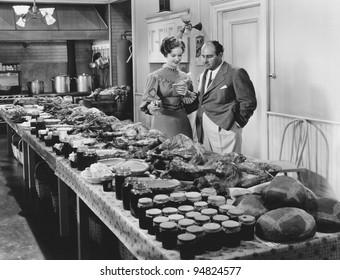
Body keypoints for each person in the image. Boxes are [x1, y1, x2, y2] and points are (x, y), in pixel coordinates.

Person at [195, 40, 257, 154]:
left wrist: (238, 123)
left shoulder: (235, 72)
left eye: (209, 56)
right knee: (210, 166)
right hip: (205, 129)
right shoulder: (204, 74)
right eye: (203, 56)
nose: (205, 60)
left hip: (225, 128)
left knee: (228, 167)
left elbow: (249, 101)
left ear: (220, 55)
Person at [140, 36, 197, 139]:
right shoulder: (155, 77)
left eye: (180, 55)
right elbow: (148, 100)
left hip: (182, 121)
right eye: (173, 55)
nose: (177, 59)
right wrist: (152, 105)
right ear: (166, 54)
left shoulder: (185, 77)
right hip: (162, 121)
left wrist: (187, 93)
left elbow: (192, 104)